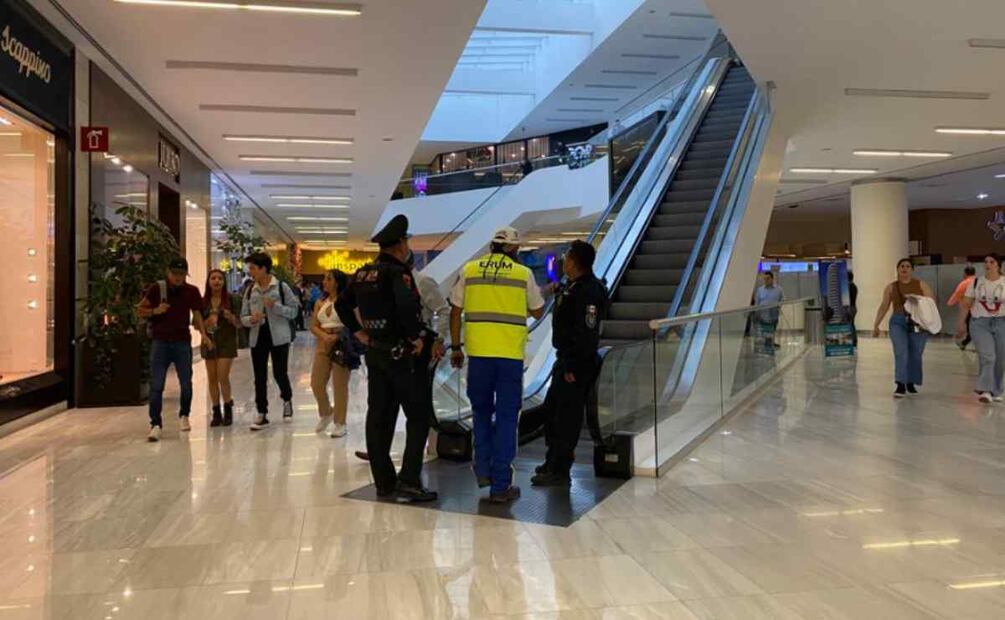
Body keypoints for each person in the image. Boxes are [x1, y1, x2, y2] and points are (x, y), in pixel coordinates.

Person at [336, 214, 438, 502]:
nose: (408, 247)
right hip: (402, 356)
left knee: (379, 416)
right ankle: (409, 481)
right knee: (418, 417)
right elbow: (406, 307)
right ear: (400, 244)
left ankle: (384, 482)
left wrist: (358, 331)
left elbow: (342, 304)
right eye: (406, 241)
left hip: (376, 353)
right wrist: (416, 337)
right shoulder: (398, 274)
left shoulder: (362, 273)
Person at [450, 227, 545, 503]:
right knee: (505, 419)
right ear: (514, 249)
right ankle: (500, 484)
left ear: (492, 246)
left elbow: (455, 311)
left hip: (478, 356)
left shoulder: (469, 270)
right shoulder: (522, 274)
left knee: (480, 413)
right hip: (509, 359)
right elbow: (538, 310)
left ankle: (483, 471)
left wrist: (456, 347)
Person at [352, 259, 448, 463]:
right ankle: (380, 454)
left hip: (415, 352)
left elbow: (442, 309)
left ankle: (412, 467)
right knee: (385, 408)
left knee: (415, 411)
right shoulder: (381, 283)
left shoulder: (422, 282)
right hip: (388, 351)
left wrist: (438, 339)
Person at [532, 240, 608, 487]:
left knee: (567, 417)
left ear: (575, 262)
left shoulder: (589, 292)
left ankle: (560, 469)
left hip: (576, 364)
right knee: (553, 412)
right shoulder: (572, 287)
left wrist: (572, 366)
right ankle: (552, 460)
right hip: (565, 360)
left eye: (567, 257)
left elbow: (587, 333)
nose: (564, 261)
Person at [137, 257, 211, 442]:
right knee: (157, 385)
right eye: (175, 274)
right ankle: (155, 424)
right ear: (168, 272)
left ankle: (184, 414)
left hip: (181, 342)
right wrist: (155, 311)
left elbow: (197, 315)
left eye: (181, 275)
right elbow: (140, 310)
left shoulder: (191, 291)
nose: (178, 278)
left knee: (186, 383)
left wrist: (203, 335)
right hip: (160, 341)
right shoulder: (157, 289)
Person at [241, 252, 301, 430]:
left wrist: (275, 307)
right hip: (257, 336)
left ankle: (287, 398)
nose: (250, 271)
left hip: (279, 337)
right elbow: (243, 316)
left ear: (263, 268)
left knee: (279, 373)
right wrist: (252, 319)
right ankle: (262, 412)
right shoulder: (250, 289)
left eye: (252, 268)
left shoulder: (281, 287)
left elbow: (294, 311)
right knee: (259, 376)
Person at [872, 258, 935, 398]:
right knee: (901, 351)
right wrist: (876, 325)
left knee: (915, 353)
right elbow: (884, 306)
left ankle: (911, 382)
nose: (904, 269)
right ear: (898, 269)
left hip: (917, 322)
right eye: (901, 266)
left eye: (907, 266)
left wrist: (929, 320)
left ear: (912, 269)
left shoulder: (921, 285)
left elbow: (931, 304)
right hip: (898, 322)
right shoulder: (891, 287)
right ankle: (900, 384)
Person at [311, 269, 359, 438]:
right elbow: (313, 325)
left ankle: (340, 422)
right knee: (316, 383)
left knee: (339, 386)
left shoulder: (347, 302)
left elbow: (356, 324)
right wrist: (324, 336)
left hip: (343, 343)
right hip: (323, 344)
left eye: (328, 279)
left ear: (337, 282)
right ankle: (326, 412)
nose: (324, 282)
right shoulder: (320, 302)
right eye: (324, 279)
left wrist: (338, 335)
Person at [956, 256, 1005, 403]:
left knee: (1000, 359)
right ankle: (986, 390)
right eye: (986, 262)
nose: (988, 264)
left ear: (999, 266)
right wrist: (961, 323)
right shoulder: (976, 282)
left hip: (1001, 322)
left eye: (992, 262)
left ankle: (996, 390)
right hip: (979, 323)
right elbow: (966, 304)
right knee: (988, 356)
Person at [202, 268, 242, 427]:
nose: (216, 281)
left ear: (224, 282)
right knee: (212, 378)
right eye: (213, 278)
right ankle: (216, 411)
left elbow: (239, 323)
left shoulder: (232, 300)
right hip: (209, 343)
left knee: (222, 376)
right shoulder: (203, 301)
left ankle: (228, 407)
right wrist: (207, 323)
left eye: (220, 278)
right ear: (208, 282)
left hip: (227, 342)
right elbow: (198, 324)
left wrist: (229, 316)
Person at [949, 266, 977, 350]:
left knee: (970, 326)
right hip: (979, 309)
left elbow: (957, 294)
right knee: (974, 327)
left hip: (967, 309)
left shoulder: (964, 283)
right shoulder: (978, 281)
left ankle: (965, 342)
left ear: (965, 273)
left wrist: (950, 303)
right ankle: (966, 342)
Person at [753, 271, 784, 347]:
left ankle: (770, 342)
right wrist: (756, 313)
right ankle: (767, 343)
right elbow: (757, 302)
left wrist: (779, 306)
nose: (766, 280)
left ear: (772, 279)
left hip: (774, 314)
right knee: (765, 330)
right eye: (765, 279)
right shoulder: (760, 290)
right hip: (763, 315)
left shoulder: (778, 289)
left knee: (772, 329)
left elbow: (782, 299)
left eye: (768, 278)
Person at [848, 271, 859, 346]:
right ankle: (854, 339)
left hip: (850, 308)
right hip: (854, 307)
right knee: (852, 323)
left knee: (850, 324)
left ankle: (853, 340)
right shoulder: (854, 286)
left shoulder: (849, 287)